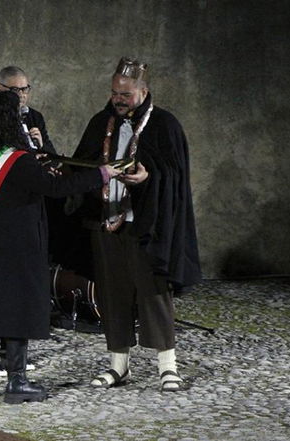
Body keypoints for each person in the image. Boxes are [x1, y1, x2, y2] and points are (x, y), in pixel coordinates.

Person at [0, 91, 120, 404]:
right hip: (17, 243)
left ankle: (6, 376)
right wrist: (100, 174)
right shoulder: (16, 160)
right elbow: (56, 189)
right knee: (20, 306)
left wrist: (37, 160)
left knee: (1, 304)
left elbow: (25, 182)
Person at [71, 57, 202, 392]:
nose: (118, 98)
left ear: (143, 91)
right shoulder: (101, 122)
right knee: (112, 294)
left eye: (126, 94)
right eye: (115, 92)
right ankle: (118, 366)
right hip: (106, 222)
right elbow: (84, 162)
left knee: (154, 292)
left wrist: (148, 176)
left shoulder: (164, 125)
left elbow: (174, 174)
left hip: (146, 225)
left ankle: (168, 367)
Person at [0, 66, 58, 376]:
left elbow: (50, 159)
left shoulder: (34, 118)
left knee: (22, 286)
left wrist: (38, 145)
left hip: (29, 213)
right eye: (15, 90)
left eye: (25, 89)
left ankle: (15, 359)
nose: (21, 95)